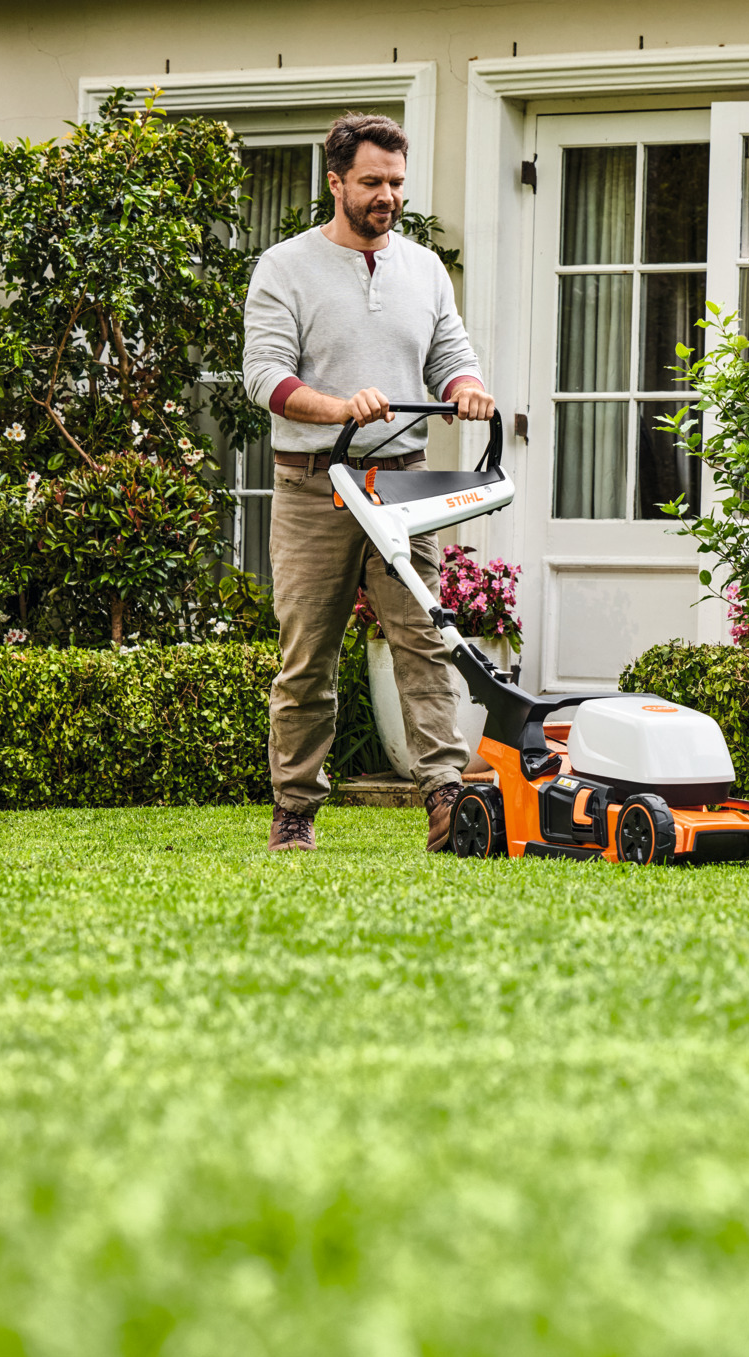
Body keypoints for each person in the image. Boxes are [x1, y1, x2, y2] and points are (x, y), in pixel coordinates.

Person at [242, 112, 497, 853]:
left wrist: (469, 387)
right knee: (307, 657)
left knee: (423, 640)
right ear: (335, 182)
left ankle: (447, 802)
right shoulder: (284, 268)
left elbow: (451, 351)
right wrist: (337, 405)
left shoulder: (422, 269)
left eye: (396, 183)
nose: (387, 196)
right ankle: (295, 810)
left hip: (401, 486)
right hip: (313, 486)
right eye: (372, 182)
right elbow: (266, 377)